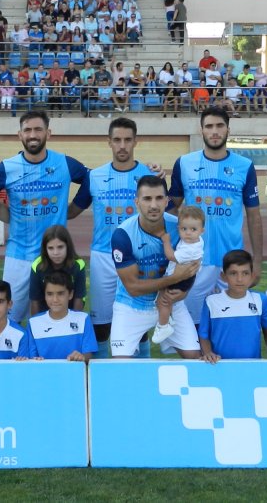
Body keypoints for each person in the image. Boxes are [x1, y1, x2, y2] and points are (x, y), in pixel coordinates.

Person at [0, 110, 89, 322]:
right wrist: (4, 214)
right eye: (28, 130)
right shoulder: (8, 167)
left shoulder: (64, 164)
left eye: (38, 129)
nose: (33, 135)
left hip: (55, 258)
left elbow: (92, 180)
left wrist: (75, 208)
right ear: (19, 135)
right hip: (19, 256)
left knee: (58, 319)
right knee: (8, 319)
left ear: (48, 133)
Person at [67, 117, 158, 347]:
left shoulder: (149, 176)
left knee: (138, 322)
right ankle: (100, 374)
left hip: (139, 255)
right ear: (109, 142)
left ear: (136, 141)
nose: (122, 146)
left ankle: (139, 371)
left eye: (128, 140)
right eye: (117, 140)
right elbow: (72, 211)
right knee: (101, 325)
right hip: (103, 256)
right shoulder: (94, 176)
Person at [169, 107, 261, 325]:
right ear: (201, 131)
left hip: (231, 262)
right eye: (209, 126)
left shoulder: (245, 166)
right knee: (191, 325)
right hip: (195, 261)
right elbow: (171, 208)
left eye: (220, 126)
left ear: (228, 129)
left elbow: (254, 217)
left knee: (229, 324)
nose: (215, 131)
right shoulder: (184, 163)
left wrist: (256, 261)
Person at [109, 175, 202, 358]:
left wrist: (185, 290)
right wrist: (175, 279)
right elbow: (133, 288)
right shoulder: (123, 235)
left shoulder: (181, 227)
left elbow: (193, 264)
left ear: (167, 200)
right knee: (119, 367)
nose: (153, 205)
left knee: (195, 358)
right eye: (147, 199)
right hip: (132, 305)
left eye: (159, 198)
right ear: (136, 202)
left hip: (171, 302)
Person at [197, 250, 267, 363]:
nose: (239, 279)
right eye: (233, 273)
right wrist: (208, 353)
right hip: (219, 365)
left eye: (245, 273)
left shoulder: (261, 300)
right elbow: (203, 335)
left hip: (252, 366)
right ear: (224, 276)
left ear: (252, 276)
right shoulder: (211, 301)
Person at [152, 206, 205, 345]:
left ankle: (163, 326)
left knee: (163, 301)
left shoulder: (189, 248)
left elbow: (171, 256)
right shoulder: (197, 241)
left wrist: (166, 241)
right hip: (184, 276)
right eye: (184, 229)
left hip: (181, 278)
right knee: (161, 297)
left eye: (193, 229)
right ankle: (168, 318)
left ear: (202, 231)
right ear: (179, 228)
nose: (188, 233)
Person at [27, 272, 98, 361]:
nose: (55, 299)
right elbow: (31, 358)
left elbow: (89, 355)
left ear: (71, 294)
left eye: (60, 293)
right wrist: (35, 360)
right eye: (50, 294)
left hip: (74, 373)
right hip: (44, 373)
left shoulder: (83, 319)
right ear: (44, 295)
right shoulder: (33, 323)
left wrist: (81, 357)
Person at [28, 225, 86, 315]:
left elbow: (79, 297)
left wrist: (74, 320)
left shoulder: (78, 265)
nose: (56, 253)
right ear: (45, 249)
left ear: (68, 246)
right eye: (50, 248)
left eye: (60, 247)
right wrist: (36, 323)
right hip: (45, 314)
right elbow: (35, 300)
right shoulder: (37, 266)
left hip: (69, 312)